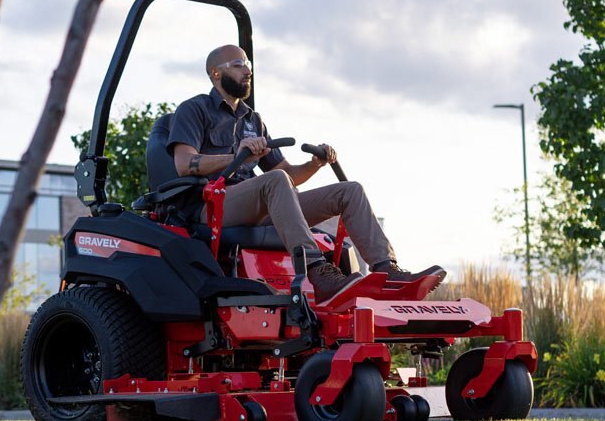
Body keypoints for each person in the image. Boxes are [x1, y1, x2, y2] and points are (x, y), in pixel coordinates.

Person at [166, 44, 445, 303]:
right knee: (274, 181)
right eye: (238, 64)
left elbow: (287, 174)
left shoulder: (254, 119)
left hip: (259, 204)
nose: (248, 71)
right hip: (213, 205)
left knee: (350, 190)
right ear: (216, 73)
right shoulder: (194, 109)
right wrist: (237, 156)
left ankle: (387, 271)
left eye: (248, 64)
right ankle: (318, 271)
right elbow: (184, 163)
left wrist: (314, 164)